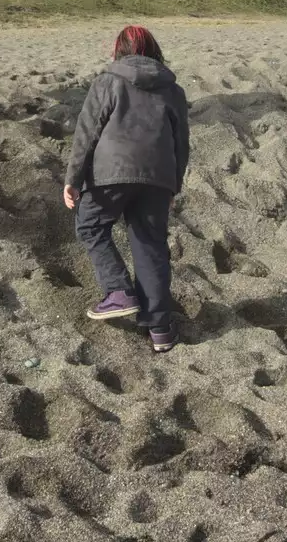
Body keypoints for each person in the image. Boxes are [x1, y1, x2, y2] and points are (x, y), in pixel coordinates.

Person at [63, 26, 191, 353]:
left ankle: (118, 290)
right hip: (158, 177)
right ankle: (160, 328)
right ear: (154, 50)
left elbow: (86, 133)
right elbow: (181, 144)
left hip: (112, 173)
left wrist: (73, 179)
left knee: (91, 225)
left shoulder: (108, 80)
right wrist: (173, 184)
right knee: (150, 244)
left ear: (118, 50)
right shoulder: (172, 90)